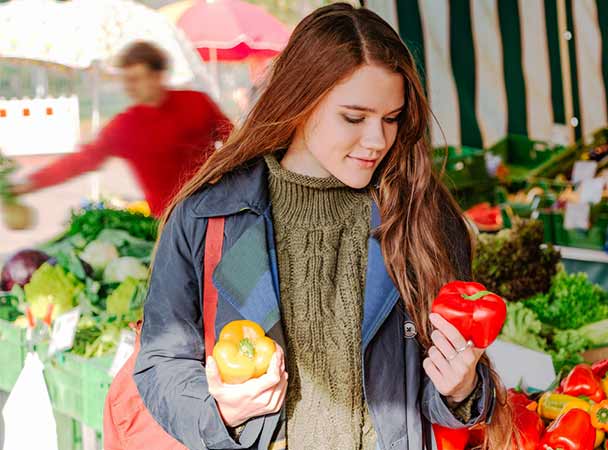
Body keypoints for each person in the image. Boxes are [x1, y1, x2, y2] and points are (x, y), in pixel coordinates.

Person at [133, 3, 512, 450]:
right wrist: (217, 413)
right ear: (301, 102)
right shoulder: (208, 215)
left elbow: (435, 385)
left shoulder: (423, 218)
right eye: (354, 117)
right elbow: (162, 359)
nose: (377, 140)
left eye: (391, 119)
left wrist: (462, 388)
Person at [11, 41, 232, 217]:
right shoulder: (125, 126)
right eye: (126, 80)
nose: (129, 87)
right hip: (168, 223)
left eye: (135, 79)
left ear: (158, 76)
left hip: (218, 207)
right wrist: (31, 183)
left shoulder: (197, 102)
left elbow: (234, 140)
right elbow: (81, 161)